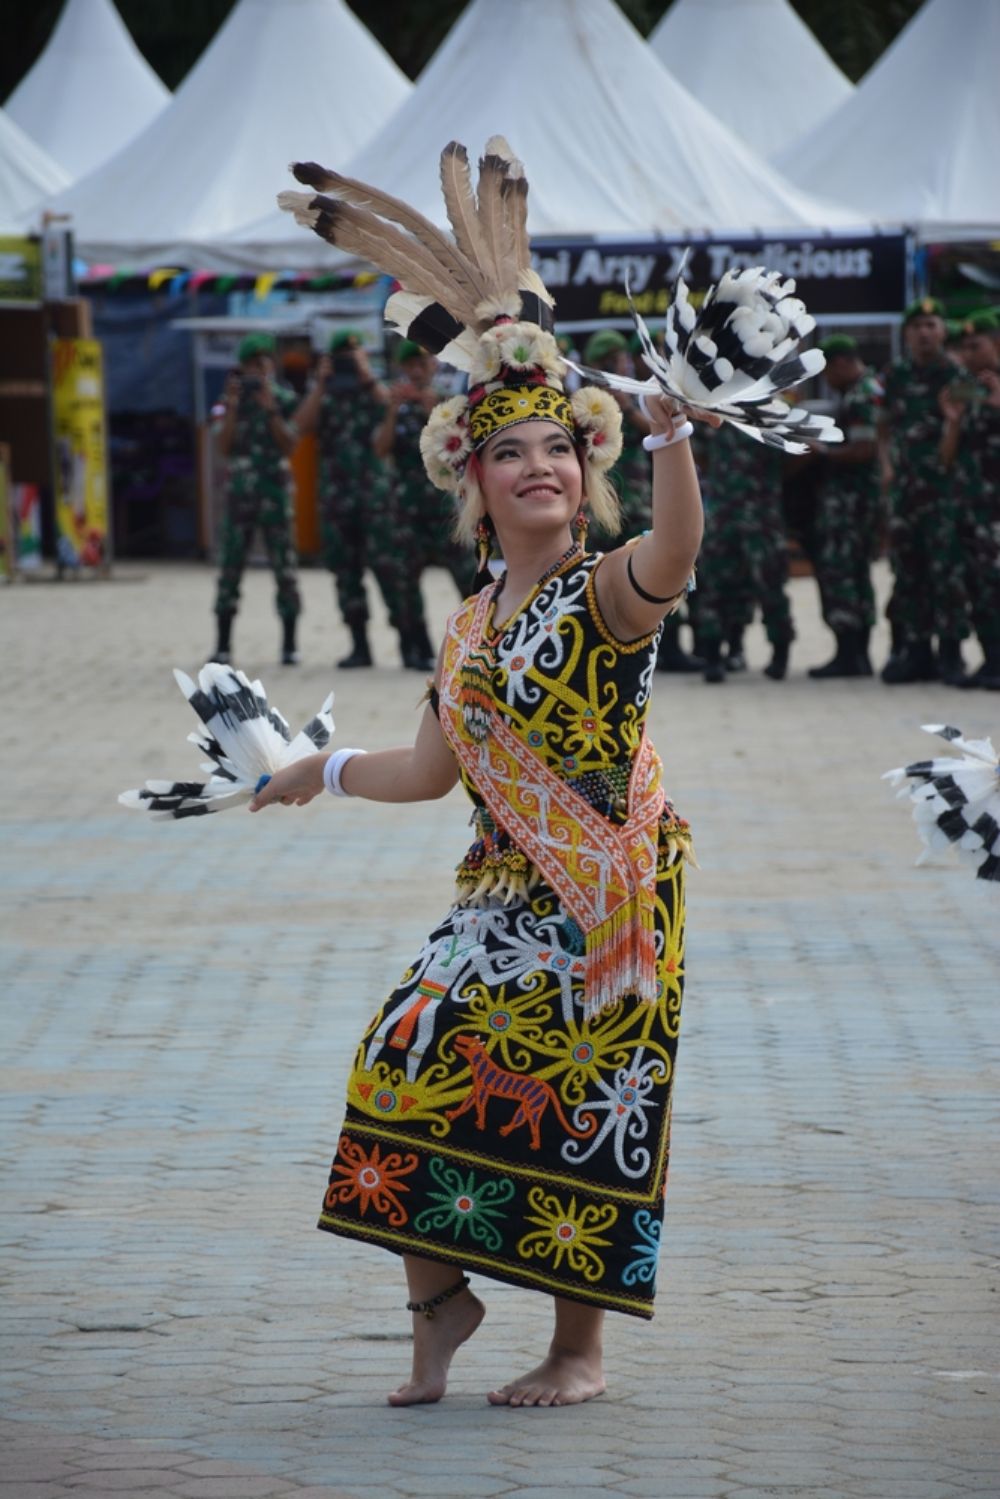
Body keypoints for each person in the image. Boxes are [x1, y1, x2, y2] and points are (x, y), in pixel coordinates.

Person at [254, 139, 720, 1408]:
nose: (541, 467)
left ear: (589, 470)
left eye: (561, 450)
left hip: (611, 893)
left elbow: (675, 551)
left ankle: (578, 1349)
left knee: (586, 1102)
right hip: (501, 890)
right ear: (471, 474)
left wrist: (672, 441)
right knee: (396, 1061)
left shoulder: (602, 591)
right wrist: (320, 769)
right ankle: (441, 1304)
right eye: (511, 451)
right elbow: (426, 768)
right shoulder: (469, 621)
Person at [294, 330, 428, 671]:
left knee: (390, 572)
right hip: (336, 498)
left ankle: (409, 645)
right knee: (345, 573)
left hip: (376, 497)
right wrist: (321, 383)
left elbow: (392, 406)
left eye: (352, 357)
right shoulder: (324, 394)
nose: (346, 366)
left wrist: (367, 376)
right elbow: (301, 426)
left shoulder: (374, 389)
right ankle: (359, 646)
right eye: (342, 358)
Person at [585, 329, 703, 674]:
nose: (615, 366)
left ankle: (672, 648)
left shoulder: (638, 397)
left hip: (639, 503)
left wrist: (625, 405)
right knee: (599, 580)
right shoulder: (587, 404)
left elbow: (654, 429)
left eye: (617, 359)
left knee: (658, 574)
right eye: (606, 362)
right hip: (602, 508)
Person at [879, 299, 969, 684]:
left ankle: (951, 654)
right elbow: (883, 427)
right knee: (908, 572)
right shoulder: (896, 374)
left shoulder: (956, 375)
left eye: (931, 324)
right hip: (905, 493)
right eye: (916, 326)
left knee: (947, 573)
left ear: (942, 331)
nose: (924, 332)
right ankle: (915, 652)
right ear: (906, 335)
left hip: (946, 494)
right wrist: (885, 467)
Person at [372, 340, 472, 663]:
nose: (416, 372)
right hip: (404, 507)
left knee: (467, 573)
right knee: (405, 581)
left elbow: (461, 447)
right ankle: (415, 647)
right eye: (410, 366)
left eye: (422, 364)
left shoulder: (447, 402)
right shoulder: (394, 402)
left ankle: (477, 639)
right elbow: (380, 449)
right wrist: (391, 410)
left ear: (433, 366)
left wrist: (433, 410)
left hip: (442, 505)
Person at [213, 333, 302, 666]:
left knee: (285, 568)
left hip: (275, 495)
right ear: (242, 368)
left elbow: (290, 445)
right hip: (240, 497)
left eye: (263, 363)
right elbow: (222, 446)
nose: (258, 370)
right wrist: (234, 407)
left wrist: (271, 411)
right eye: (252, 364)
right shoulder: (228, 401)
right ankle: (222, 644)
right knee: (230, 567)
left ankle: (290, 645)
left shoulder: (282, 398)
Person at [804, 336, 883, 678]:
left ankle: (850, 654)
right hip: (859, 503)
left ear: (840, 364)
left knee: (842, 573)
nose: (828, 382)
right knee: (856, 573)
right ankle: (857, 655)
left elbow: (865, 449)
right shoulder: (865, 390)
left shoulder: (860, 395)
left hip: (851, 505)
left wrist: (822, 453)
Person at [694, 420, 794, 683]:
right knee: (715, 586)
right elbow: (700, 454)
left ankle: (780, 654)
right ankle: (714, 656)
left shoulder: (771, 414)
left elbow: (793, 458)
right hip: (723, 514)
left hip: (762, 515)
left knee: (771, 586)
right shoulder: (716, 410)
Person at [939, 308, 1000, 689]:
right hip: (973, 508)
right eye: (964, 347)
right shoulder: (968, 390)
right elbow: (946, 458)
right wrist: (953, 420)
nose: (968, 353)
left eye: (975, 345)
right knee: (979, 585)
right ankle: (992, 658)